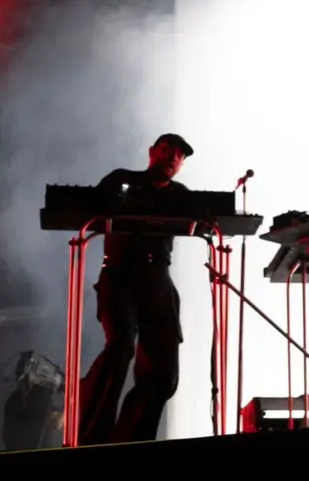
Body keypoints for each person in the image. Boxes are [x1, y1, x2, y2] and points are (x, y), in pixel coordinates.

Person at [77, 133, 193, 444]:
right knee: (121, 348)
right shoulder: (122, 180)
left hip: (158, 280)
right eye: (168, 150)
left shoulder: (181, 194)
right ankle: (90, 434)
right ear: (151, 152)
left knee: (164, 374)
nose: (173, 158)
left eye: (180, 155)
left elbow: (207, 213)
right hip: (120, 276)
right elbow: (87, 205)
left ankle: (132, 438)